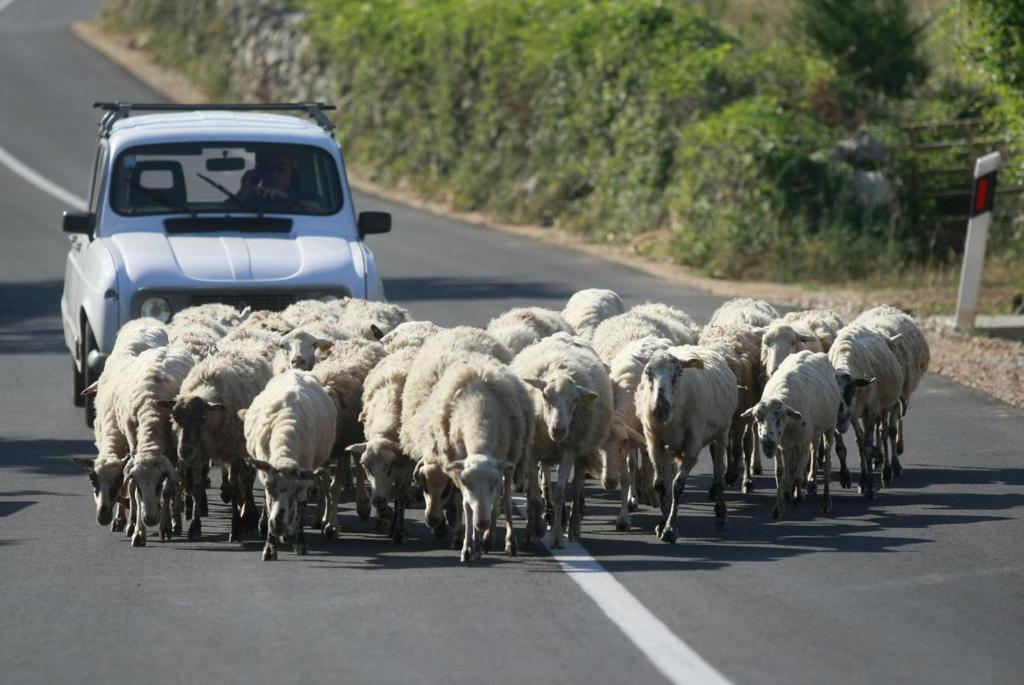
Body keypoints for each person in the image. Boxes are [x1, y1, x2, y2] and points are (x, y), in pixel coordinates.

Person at [237, 149, 308, 208]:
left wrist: (288, 200)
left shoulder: (306, 198)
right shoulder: (251, 198)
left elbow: (316, 210)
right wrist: (243, 192)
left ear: (292, 172)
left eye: (280, 169)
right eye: (268, 169)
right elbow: (227, 213)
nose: (273, 174)